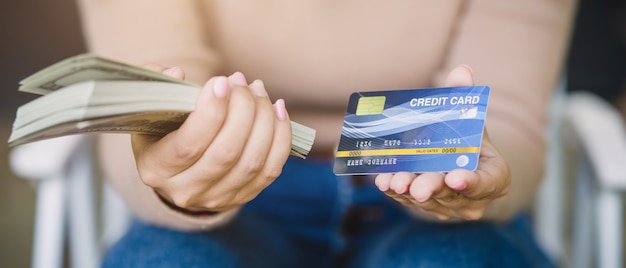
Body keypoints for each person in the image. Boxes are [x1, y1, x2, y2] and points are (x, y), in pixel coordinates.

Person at [74, 1, 577, 267]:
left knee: (457, 261)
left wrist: (474, 164)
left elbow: (507, 119)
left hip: (412, 184)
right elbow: (143, 102)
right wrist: (175, 183)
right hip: (240, 191)